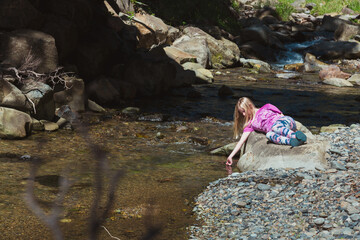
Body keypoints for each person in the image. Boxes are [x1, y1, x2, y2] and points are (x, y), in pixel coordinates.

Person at [226, 97, 307, 166]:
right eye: (241, 113)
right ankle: (292, 141)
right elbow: (241, 141)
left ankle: (294, 135)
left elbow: (282, 115)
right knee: (269, 135)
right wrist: (230, 156)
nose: (243, 114)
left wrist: (291, 128)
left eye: (244, 111)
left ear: (250, 106)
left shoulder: (267, 106)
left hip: (285, 121)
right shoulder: (250, 124)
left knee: (275, 127)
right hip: (276, 130)